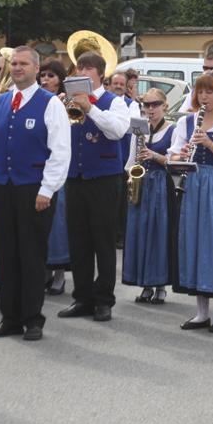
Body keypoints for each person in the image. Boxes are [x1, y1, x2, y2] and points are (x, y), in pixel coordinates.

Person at [0, 46, 71, 341]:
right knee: (7, 254)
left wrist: (47, 189)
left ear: (36, 69)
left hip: (34, 189)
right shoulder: (0, 103)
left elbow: (60, 151)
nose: (17, 68)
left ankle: (33, 318)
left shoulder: (50, 103)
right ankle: (10, 317)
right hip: (3, 186)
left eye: (23, 64)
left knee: (31, 255)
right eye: (13, 63)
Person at [57, 51, 130, 323]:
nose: (81, 73)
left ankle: (104, 300)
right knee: (78, 242)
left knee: (103, 241)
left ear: (100, 73)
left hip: (104, 179)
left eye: (87, 69)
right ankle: (82, 297)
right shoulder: (66, 100)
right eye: (79, 68)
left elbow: (117, 131)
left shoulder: (115, 102)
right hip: (75, 177)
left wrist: (90, 108)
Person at [171, 73, 213, 333]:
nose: (204, 97)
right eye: (201, 92)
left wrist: (208, 142)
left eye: (210, 92)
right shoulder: (187, 122)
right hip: (195, 186)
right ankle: (200, 312)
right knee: (196, 243)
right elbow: (174, 156)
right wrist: (182, 153)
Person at [122, 88, 175, 305]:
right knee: (140, 232)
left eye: (155, 105)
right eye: (147, 105)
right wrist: (132, 175)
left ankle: (160, 285)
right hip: (142, 183)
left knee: (158, 233)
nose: (150, 109)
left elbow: (175, 161)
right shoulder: (140, 129)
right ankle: (145, 284)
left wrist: (154, 155)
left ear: (165, 106)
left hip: (161, 183)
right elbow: (131, 161)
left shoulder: (174, 129)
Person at [37, 59, 71, 294]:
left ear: (60, 79)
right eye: (43, 75)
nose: (45, 80)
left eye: (50, 76)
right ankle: (43, 271)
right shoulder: (37, 100)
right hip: (38, 166)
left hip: (60, 168)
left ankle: (59, 274)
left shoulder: (66, 101)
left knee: (58, 224)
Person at [108, 70, 140, 250]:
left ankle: (120, 234)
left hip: (123, 153)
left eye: (122, 84)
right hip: (106, 154)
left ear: (126, 86)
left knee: (121, 198)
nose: (118, 86)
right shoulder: (104, 101)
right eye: (115, 83)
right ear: (110, 84)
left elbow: (131, 126)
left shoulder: (131, 104)